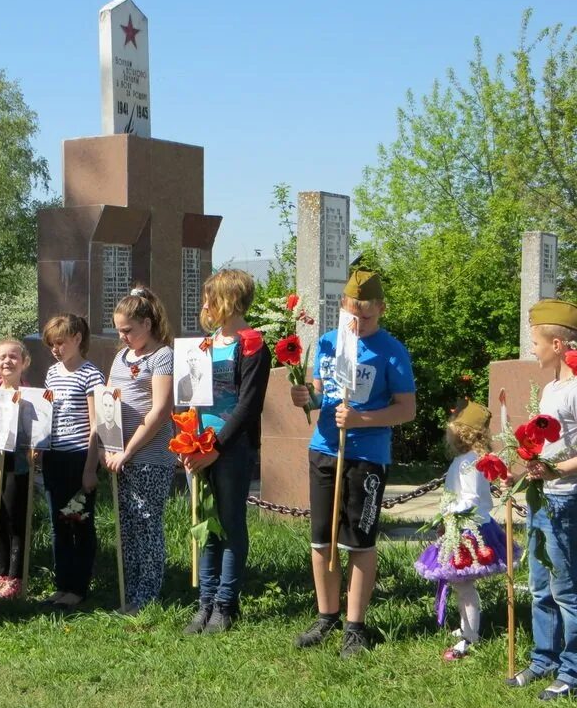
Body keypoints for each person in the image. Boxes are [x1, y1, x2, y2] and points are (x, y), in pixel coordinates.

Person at [290, 270, 416, 657]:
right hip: (325, 448)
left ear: (380, 310)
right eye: (352, 316)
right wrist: (304, 398)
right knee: (322, 538)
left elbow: (406, 409)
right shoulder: (329, 343)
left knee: (358, 541)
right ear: (342, 309)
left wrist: (361, 419)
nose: (359, 324)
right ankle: (326, 614)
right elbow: (318, 394)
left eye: (367, 317)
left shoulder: (391, 350)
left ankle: (355, 625)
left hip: (366, 455)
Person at [182, 270, 271, 634]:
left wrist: (216, 448)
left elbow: (248, 405)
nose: (204, 305)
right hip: (199, 447)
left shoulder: (251, 344)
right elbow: (190, 399)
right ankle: (204, 603)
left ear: (228, 301)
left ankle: (225, 604)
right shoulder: (204, 344)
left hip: (230, 449)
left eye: (210, 298)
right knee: (207, 525)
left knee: (231, 524)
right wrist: (188, 442)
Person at [507, 298, 577, 700]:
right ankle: (543, 657)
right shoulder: (550, 388)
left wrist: (557, 471)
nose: (531, 348)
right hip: (540, 496)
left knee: (565, 587)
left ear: (557, 345)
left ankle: (571, 669)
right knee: (539, 584)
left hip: (565, 499)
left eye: (535, 341)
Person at [414, 400, 518, 660]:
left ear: (461, 432)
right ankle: (465, 626)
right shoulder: (474, 459)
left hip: (468, 530)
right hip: (471, 525)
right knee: (463, 585)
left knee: (464, 587)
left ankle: (470, 636)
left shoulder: (467, 462)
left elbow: (470, 499)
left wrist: (447, 514)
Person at [101, 286, 175, 614]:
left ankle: (147, 595)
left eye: (128, 330)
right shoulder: (121, 356)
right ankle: (128, 590)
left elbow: (160, 411)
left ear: (147, 323)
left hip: (148, 456)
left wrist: (128, 451)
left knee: (146, 522)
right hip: (120, 456)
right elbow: (107, 401)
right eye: (119, 331)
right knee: (127, 525)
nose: (123, 337)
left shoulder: (162, 356)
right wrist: (107, 444)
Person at [42, 314, 104, 609]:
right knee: (58, 524)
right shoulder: (52, 373)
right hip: (55, 456)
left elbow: (96, 424)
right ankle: (62, 584)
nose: (55, 349)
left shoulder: (91, 374)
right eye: (51, 344)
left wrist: (90, 468)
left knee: (77, 521)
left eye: (60, 342)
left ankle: (79, 586)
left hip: (79, 457)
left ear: (77, 339)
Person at [0, 338, 32, 600]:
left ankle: (16, 578)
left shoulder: (29, 395)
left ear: (24, 362)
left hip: (17, 464)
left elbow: (37, 432)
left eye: (13, 357)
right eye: (2, 357)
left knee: (14, 519)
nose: (7, 361)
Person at [96, 386, 123, 452]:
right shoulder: (98, 430)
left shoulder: (120, 432)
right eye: (105, 405)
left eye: (111, 406)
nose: (108, 410)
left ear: (115, 408)